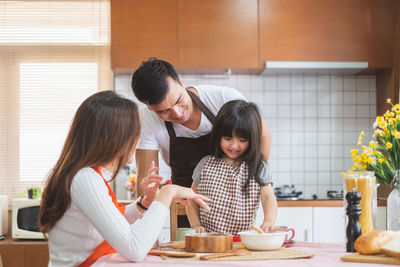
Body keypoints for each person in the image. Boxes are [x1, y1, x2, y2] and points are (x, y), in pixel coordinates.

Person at [39, 91, 209, 267]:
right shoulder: (86, 179)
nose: (137, 140)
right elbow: (134, 248)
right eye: (135, 133)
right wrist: (167, 193)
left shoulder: (83, 174)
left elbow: (110, 223)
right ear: (115, 139)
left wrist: (145, 203)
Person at [131, 59, 272, 226]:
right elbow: (147, 181)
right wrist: (145, 225)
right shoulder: (147, 120)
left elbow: (261, 134)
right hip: (187, 202)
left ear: (181, 82)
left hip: (236, 199)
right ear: (149, 108)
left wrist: (253, 178)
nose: (177, 114)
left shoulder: (223, 98)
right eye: (164, 111)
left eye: (178, 100)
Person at [186, 100, 277, 234]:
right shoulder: (205, 164)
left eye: (242, 140)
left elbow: (268, 197)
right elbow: (192, 199)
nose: (234, 145)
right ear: (218, 136)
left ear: (252, 139)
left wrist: (269, 220)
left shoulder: (258, 167)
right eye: (228, 138)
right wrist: (196, 225)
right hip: (211, 240)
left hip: (244, 241)